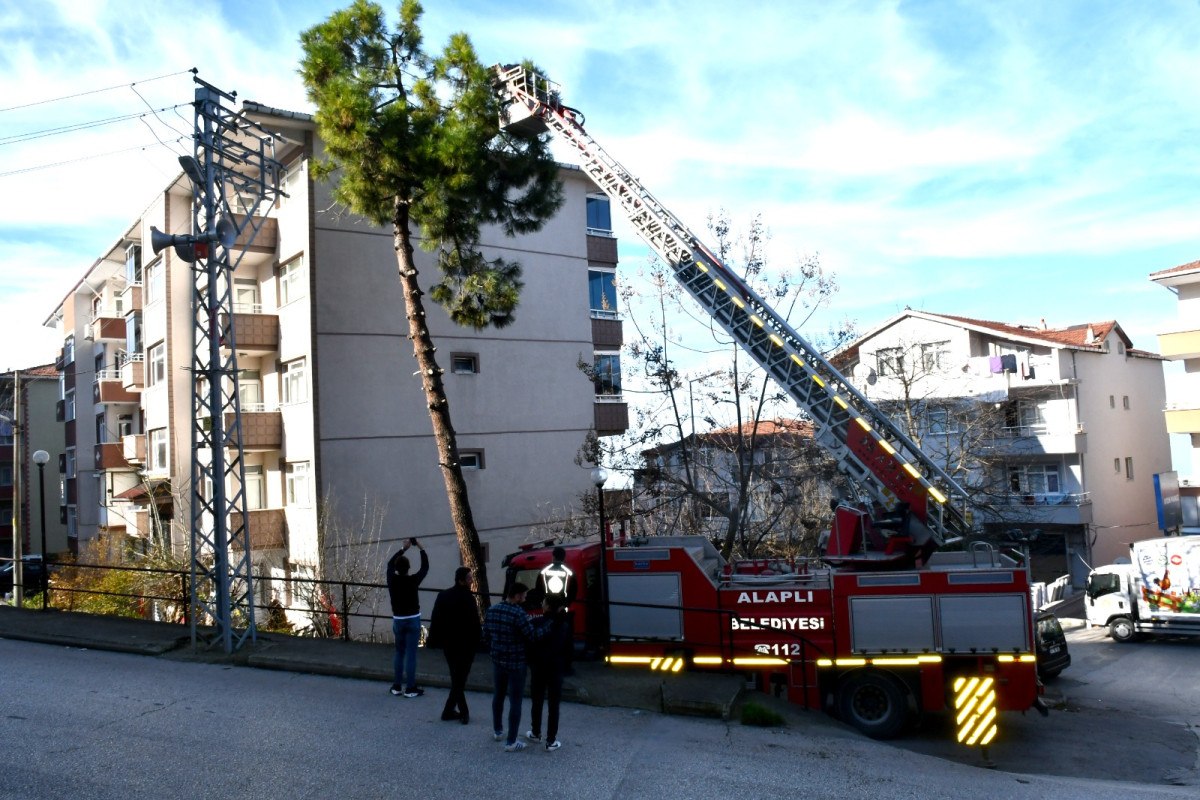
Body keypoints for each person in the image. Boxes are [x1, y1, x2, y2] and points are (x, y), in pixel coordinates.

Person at [482, 581, 543, 752]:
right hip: (516, 662)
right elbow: (532, 635)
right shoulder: (519, 614)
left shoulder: (492, 610)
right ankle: (511, 741)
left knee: (498, 695)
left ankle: (497, 730)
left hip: (497, 659)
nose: (524, 599)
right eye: (523, 595)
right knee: (515, 700)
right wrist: (547, 627)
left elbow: (486, 635)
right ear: (517, 596)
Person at [427, 566, 480, 724]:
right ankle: (462, 712)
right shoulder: (469, 598)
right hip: (466, 645)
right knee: (460, 679)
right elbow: (474, 624)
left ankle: (450, 710)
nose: (472, 581)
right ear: (462, 580)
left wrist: (434, 640)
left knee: (457, 678)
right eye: (469, 578)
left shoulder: (443, 596)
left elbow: (436, 619)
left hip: (449, 644)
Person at [526, 595, 571, 751]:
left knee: (537, 701)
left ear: (547, 607)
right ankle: (551, 739)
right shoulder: (563, 625)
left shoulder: (536, 622)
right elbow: (567, 649)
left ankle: (535, 732)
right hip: (556, 667)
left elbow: (530, 643)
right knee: (554, 705)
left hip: (538, 666)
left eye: (543, 602)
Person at [386, 537, 428, 698]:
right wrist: (421, 548)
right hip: (413, 618)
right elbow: (425, 567)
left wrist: (404, 548)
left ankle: (397, 686)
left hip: (399, 619)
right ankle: (410, 688)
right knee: (411, 654)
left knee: (399, 652)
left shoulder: (392, 580)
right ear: (409, 568)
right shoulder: (413, 580)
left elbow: (389, 564)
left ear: (397, 568)